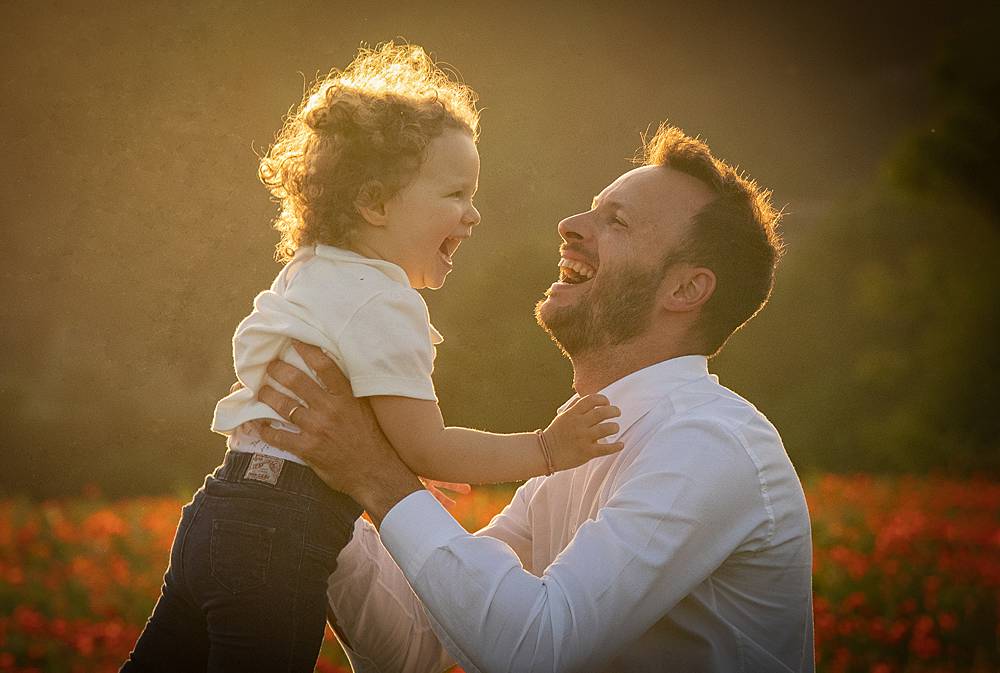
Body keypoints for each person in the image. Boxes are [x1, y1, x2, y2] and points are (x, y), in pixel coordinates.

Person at [121, 43, 622, 673]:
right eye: (454, 193)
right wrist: (546, 450)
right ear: (376, 203)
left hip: (217, 513)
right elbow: (428, 448)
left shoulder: (309, 274)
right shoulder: (386, 300)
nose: (473, 213)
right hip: (281, 532)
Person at [253, 122, 816, 672]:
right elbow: (415, 645)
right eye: (590, 209)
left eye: (614, 222)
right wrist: (307, 461)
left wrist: (374, 472)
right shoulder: (577, 442)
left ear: (686, 289)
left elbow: (537, 650)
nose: (569, 225)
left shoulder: (708, 443)